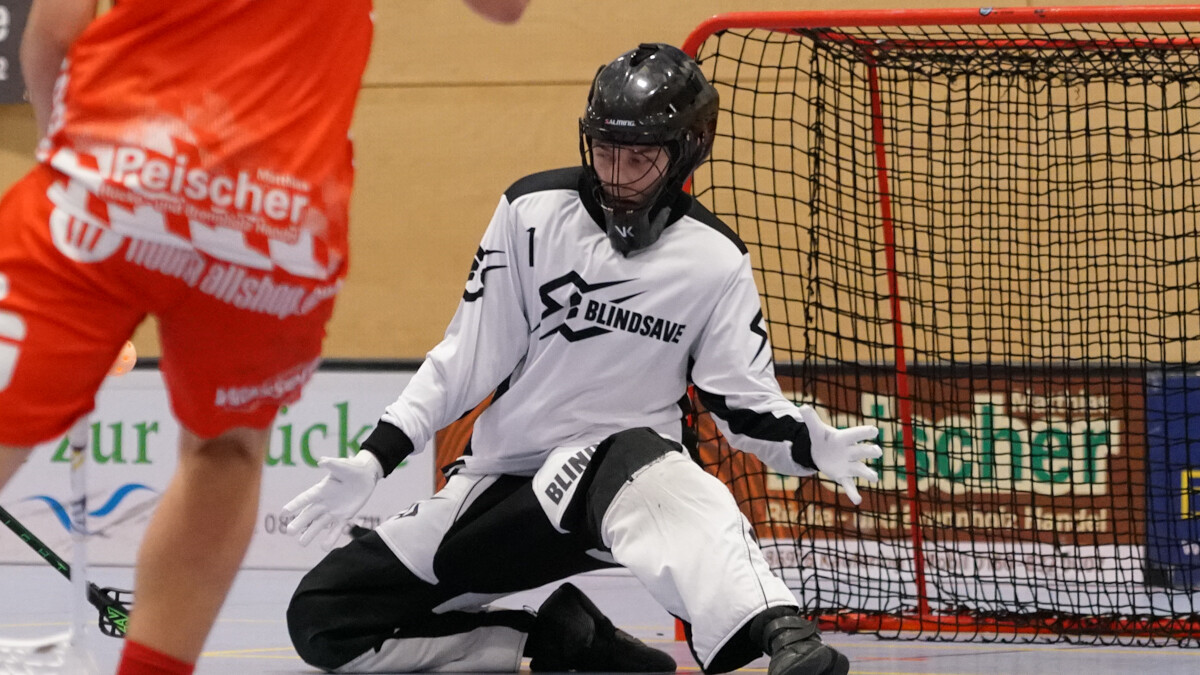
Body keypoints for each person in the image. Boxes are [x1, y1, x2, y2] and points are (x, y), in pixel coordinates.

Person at [282, 42, 882, 675]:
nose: (617, 174)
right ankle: (561, 643)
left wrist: (811, 445)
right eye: (605, 152)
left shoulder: (716, 261)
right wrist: (378, 456)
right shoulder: (529, 213)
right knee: (324, 617)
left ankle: (783, 633)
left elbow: (741, 403)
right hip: (511, 490)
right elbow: (466, 357)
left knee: (628, 449)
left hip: (626, 485)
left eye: (640, 158)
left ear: (685, 153)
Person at [0, 1, 530, 674]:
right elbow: (506, 8)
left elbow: (51, 36)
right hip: (274, 217)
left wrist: (73, 171)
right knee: (224, 453)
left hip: (112, 177)